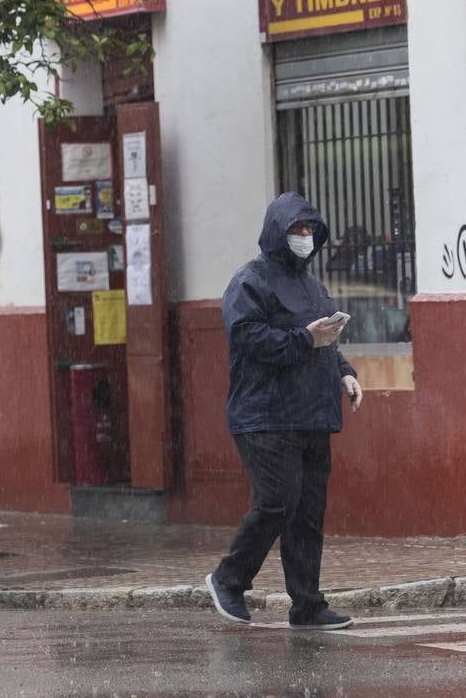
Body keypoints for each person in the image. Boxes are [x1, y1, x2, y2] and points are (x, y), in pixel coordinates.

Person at [205, 192, 363, 630]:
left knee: (308, 512)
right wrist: (303, 341)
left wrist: (344, 372)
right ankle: (228, 580)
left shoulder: (314, 286)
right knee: (276, 501)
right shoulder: (249, 282)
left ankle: (308, 605)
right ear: (277, 231)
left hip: (312, 412)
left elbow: (327, 337)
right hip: (265, 415)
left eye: (310, 229)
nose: (305, 237)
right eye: (297, 229)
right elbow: (247, 337)